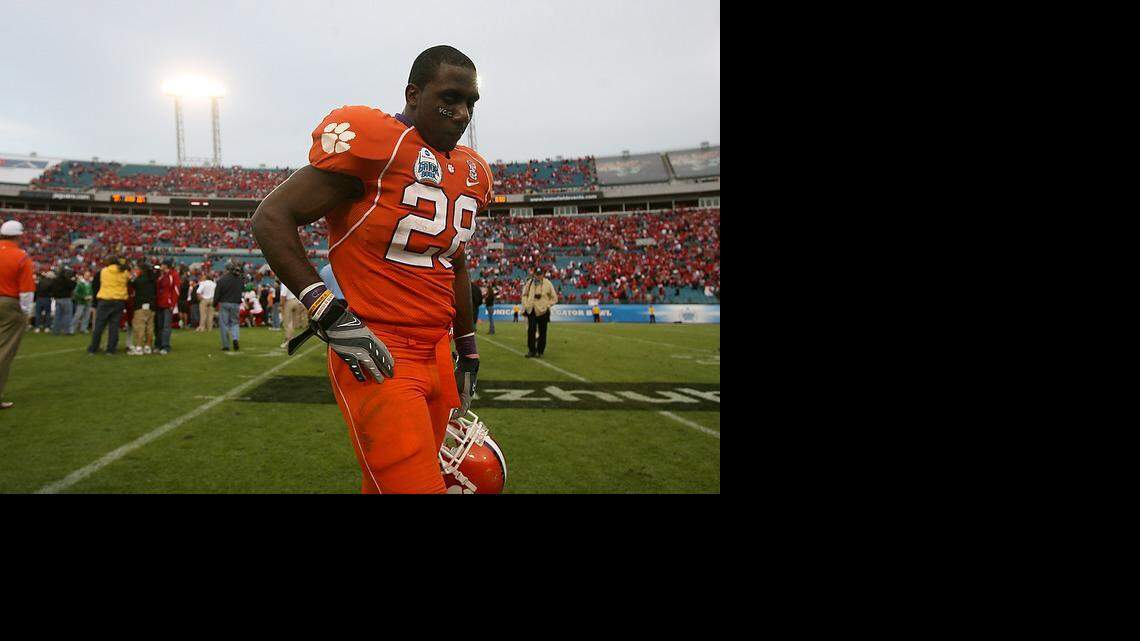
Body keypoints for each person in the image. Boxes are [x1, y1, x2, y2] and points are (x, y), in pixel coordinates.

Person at [252, 44, 490, 494]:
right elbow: (271, 216)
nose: (462, 114)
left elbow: (453, 260)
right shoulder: (378, 143)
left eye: (471, 103)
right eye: (451, 98)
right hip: (378, 348)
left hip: (438, 349)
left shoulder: (471, 170)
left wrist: (468, 346)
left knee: (388, 484)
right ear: (413, 94)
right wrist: (324, 307)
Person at [0, 219, 36, 410]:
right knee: (4, 351)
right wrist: (26, 312)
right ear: (18, 236)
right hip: (9, 303)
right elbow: (27, 290)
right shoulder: (21, 256)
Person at [88, 256, 130, 355]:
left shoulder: (104, 271)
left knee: (99, 325)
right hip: (119, 300)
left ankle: (94, 347)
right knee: (114, 326)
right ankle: (111, 349)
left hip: (105, 299)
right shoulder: (124, 272)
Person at [520, 265, 558, 358]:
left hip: (543, 311)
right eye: (536, 274)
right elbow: (524, 295)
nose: (538, 276)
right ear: (534, 274)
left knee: (542, 332)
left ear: (543, 275)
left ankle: (540, 351)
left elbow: (554, 298)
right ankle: (531, 350)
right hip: (532, 310)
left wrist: (547, 305)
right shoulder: (529, 283)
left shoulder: (548, 283)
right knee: (531, 331)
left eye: (540, 274)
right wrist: (525, 304)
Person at [153, 257, 181, 354]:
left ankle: (165, 346)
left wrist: (172, 303)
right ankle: (158, 344)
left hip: (167, 304)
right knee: (159, 325)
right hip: (159, 303)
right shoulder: (162, 275)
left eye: (162, 264)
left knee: (166, 326)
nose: (161, 266)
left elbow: (176, 290)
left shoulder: (173, 275)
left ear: (166, 265)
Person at [128, 262, 157, 355]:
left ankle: (139, 347)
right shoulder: (153, 279)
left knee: (139, 326)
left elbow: (130, 284)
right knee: (150, 327)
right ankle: (148, 346)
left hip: (140, 305)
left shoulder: (140, 280)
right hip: (151, 306)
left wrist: (132, 276)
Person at [214, 261, 243, 351]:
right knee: (235, 323)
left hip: (224, 303)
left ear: (226, 269)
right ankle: (235, 338)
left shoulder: (221, 280)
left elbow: (217, 294)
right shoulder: (239, 279)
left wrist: (214, 303)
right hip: (236, 303)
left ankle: (226, 345)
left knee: (224, 324)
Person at [279, 282, 307, 349]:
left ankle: (288, 340)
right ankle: (292, 338)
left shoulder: (284, 282)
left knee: (287, 322)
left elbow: (283, 295)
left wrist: (281, 306)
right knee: (292, 323)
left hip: (289, 301)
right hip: (297, 301)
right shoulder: (291, 280)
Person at [50, 267, 76, 335]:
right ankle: (67, 331)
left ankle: (55, 331)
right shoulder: (67, 280)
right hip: (66, 299)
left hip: (58, 299)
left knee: (57, 316)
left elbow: (52, 289)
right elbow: (73, 286)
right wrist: (73, 280)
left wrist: (55, 296)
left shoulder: (55, 280)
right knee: (67, 315)